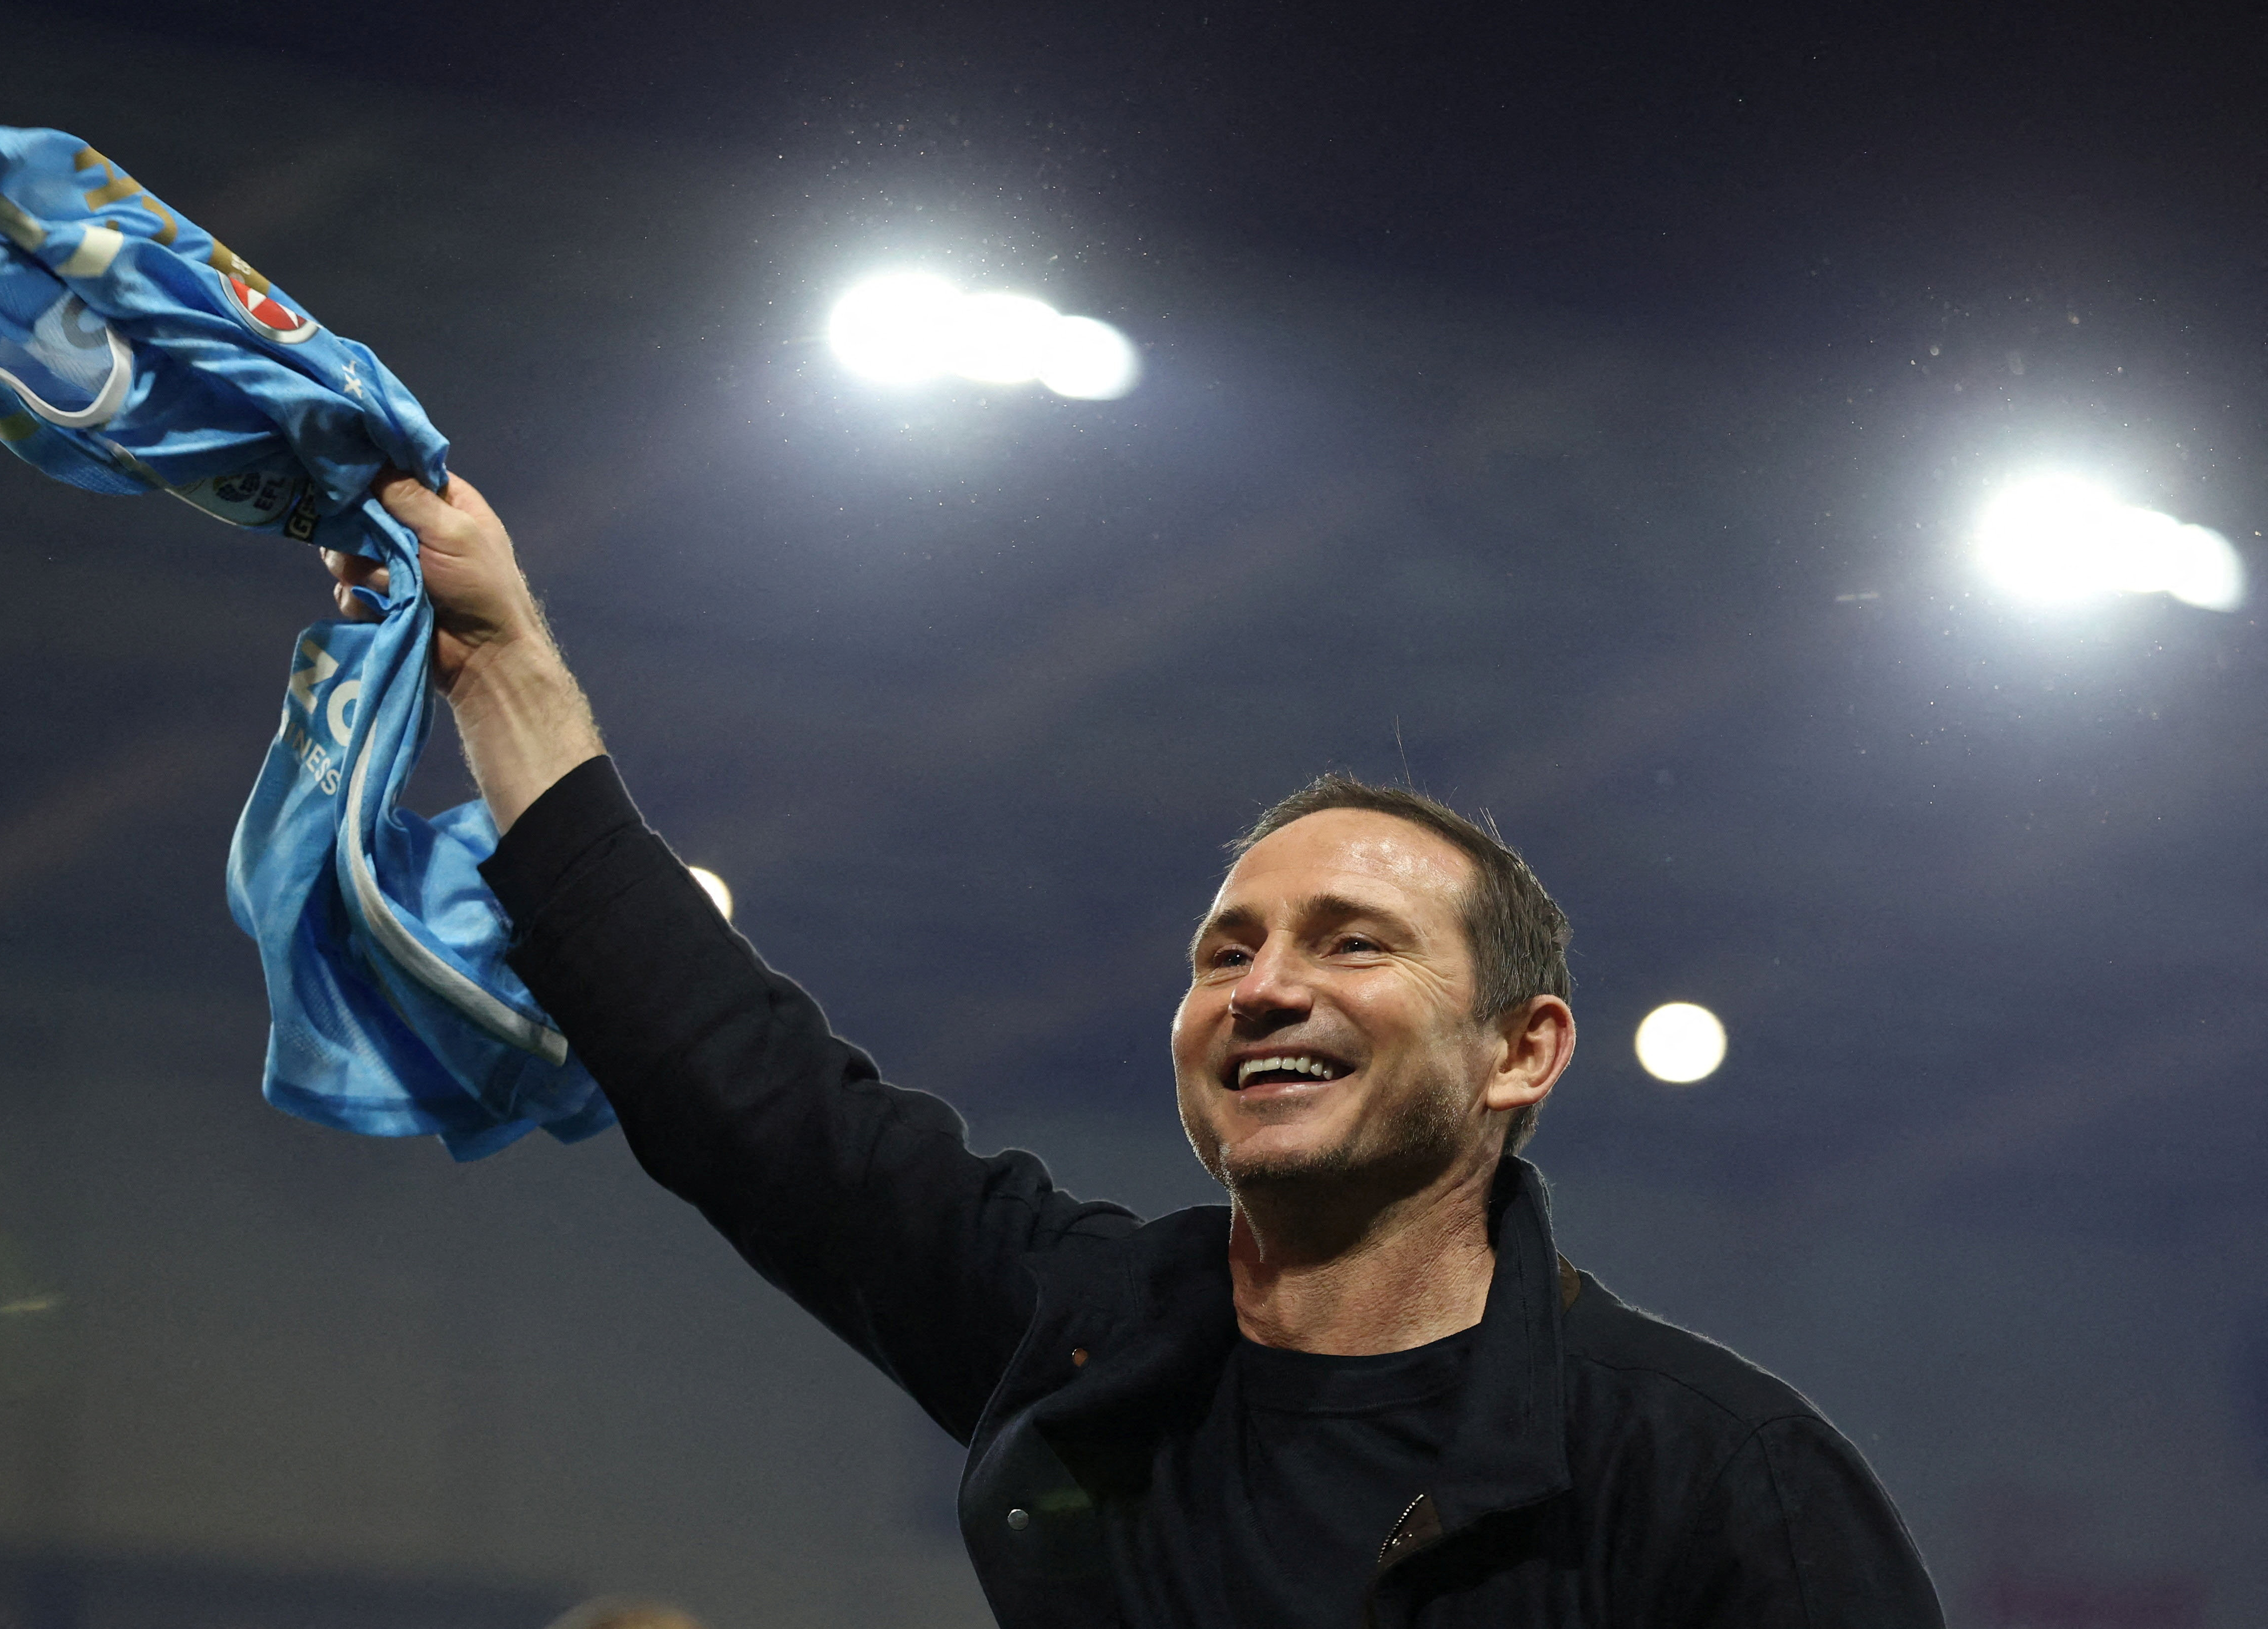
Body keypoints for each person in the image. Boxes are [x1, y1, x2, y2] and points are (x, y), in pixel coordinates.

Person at [323, 472, 1946, 1629]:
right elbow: (749, 1096)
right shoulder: (1099, 1347)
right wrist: (503, 661)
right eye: (1224, 952)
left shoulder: (1713, 1473)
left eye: (1349, 941)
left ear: (1521, 1051)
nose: (1261, 985)